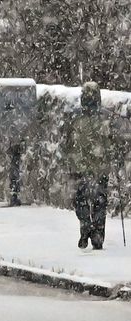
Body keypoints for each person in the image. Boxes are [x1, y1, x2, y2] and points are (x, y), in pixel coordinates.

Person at [65, 82, 111, 249]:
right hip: (100, 168)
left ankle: (86, 226)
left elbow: (68, 142)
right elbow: (112, 143)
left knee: (81, 200)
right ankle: (97, 233)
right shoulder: (105, 117)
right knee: (100, 201)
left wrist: (70, 158)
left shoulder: (74, 117)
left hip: (80, 168)